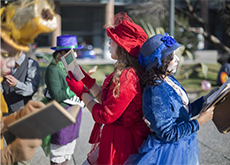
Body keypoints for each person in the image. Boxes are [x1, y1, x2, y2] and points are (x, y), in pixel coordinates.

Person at [66, 12, 151, 165]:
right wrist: (86, 80)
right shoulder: (125, 71)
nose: (109, 44)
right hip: (115, 137)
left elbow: (106, 115)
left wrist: (82, 92)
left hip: (122, 144)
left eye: (112, 41)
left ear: (123, 47)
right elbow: (107, 101)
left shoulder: (128, 77)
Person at [125, 33, 215, 165]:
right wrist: (199, 122)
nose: (177, 59)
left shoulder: (168, 79)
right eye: (171, 57)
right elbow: (168, 133)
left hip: (183, 144)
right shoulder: (155, 90)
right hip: (169, 153)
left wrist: (208, 98)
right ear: (158, 62)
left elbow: (183, 113)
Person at [0, 0, 57, 164]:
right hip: (6, 114)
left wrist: (16, 85)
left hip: (19, 115)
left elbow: (31, 89)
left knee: (22, 156)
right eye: (6, 55)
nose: (11, 63)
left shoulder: (31, 64)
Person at [44, 35, 83, 165]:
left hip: (74, 113)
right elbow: (56, 95)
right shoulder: (53, 69)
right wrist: (76, 88)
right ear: (62, 53)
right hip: (61, 115)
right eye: (73, 52)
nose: (76, 55)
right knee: (58, 153)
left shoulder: (71, 66)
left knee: (68, 153)